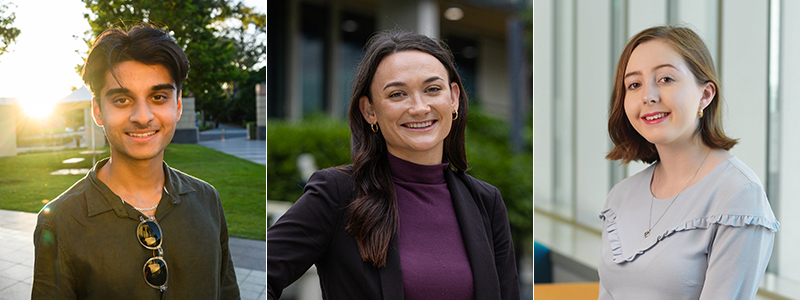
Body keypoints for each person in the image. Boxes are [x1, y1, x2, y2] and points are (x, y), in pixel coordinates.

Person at [267, 30, 520, 300]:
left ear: (453, 97)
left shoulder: (486, 202)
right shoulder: (337, 194)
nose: (419, 108)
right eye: (398, 94)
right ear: (370, 110)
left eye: (432, 89)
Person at [31, 24, 240, 299]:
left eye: (158, 97)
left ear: (177, 107)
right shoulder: (61, 221)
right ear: (98, 110)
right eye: (122, 99)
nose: (143, 116)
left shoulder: (207, 199)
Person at [600, 25, 779, 299]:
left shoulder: (739, 196)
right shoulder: (620, 198)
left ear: (705, 95)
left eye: (666, 79)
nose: (648, 96)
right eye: (634, 84)